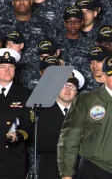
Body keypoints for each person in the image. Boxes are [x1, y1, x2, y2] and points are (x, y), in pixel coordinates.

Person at [38, 69, 84, 179]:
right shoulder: (42, 112)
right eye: (64, 85)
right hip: (51, 170)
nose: (68, 89)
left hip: (77, 171)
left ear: (76, 92)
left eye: (72, 87)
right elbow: (37, 142)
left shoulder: (83, 114)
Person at [0, 48, 32, 179]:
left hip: (13, 158)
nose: (7, 70)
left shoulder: (25, 94)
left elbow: (29, 124)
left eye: (11, 66)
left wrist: (18, 135)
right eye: (2, 66)